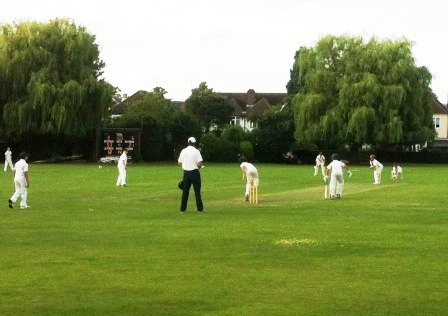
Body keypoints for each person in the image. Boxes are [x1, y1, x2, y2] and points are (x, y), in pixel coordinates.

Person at [178, 137, 205, 213]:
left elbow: (179, 162)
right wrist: (198, 167)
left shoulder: (183, 151)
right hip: (195, 172)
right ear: (194, 143)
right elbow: (199, 163)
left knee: (185, 191)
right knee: (197, 191)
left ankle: (182, 209)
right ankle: (200, 209)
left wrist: (185, 166)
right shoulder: (196, 151)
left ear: (188, 143)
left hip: (186, 173)